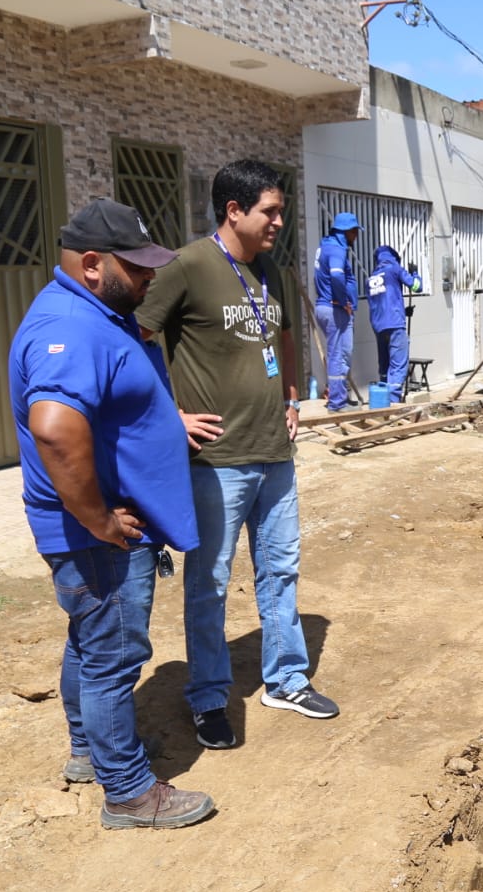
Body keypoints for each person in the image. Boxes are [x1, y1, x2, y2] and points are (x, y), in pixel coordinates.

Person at [8, 198, 213, 830]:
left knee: (88, 642)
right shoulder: (66, 328)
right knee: (112, 657)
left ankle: (86, 753)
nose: (152, 279)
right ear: (93, 264)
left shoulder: (93, 312)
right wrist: (98, 519)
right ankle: (127, 792)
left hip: (94, 530)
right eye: (140, 268)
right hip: (96, 537)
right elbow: (54, 426)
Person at [137, 159, 338, 752]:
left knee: (280, 571)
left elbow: (284, 338)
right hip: (216, 462)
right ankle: (206, 696)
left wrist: (294, 395)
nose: (280, 222)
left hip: (275, 453)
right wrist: (168, 416)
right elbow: (137, 338)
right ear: (234, 210)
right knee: (210, 583)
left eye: (280, 211)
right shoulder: (188, 266)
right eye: (270, 211)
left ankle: (286, 679)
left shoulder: (272, 269)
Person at [314, 211, 361, 412]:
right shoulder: (336, 250)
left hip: (328, 307)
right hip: (334, 309)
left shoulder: (327, 247)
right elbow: (336, 277)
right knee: (338, 355)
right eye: (355, 232)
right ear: (346, 231)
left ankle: (339, 396)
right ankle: (337, 403)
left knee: (342, 353)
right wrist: (344, 302)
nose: (356, 236)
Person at [365, 244, 420, 402]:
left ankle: (380, 402)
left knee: (384, 366)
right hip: (395, 325)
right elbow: (416, 286)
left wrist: (404, 310)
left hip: (379, 327)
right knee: (397, 366)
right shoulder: (395, 269)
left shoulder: (370, 279)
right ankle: (394, 404)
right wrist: (414, 273)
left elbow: (382, 302)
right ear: (394, 258)